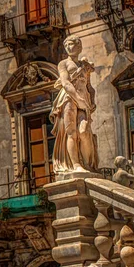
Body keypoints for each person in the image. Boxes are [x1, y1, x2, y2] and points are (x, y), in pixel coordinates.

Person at [49, 35, 99, 174]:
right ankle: (76, 165)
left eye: (72, 44)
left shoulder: (84, 66)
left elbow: (89, 86)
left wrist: (92, 101)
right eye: (67, 45)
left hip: (83, 101)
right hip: (68, 99)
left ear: (79, 46)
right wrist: (78, 99)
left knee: (84, 131)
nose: (69, 47)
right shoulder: (63, 64)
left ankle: (88, 164)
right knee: (72, 132)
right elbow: (65, 83)